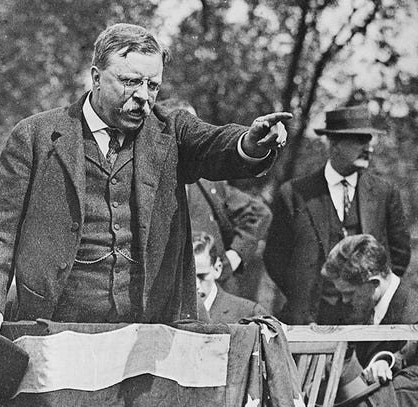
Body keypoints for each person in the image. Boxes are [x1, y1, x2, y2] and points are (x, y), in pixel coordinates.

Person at [0, 23, 291, 332]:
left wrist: (249, 143)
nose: (144, 96)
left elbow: (214, 143)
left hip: (148, 331)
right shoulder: (36, 137)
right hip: (53, 326)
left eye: (153, 85)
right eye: (130, 81)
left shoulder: (171, 132)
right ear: (96, 77)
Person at [264, 105, 411, 325]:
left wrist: (367, 295)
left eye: (369, 139)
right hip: (309, 320)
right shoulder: (294, 194)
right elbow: (275, 258)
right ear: (333, 144)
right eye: (359, 140)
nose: (369, 147)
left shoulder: (384, 193)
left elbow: (399, 255)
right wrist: (302, 295)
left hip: (364, 320)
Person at [158, 98, 273, 301]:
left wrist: (235, 255)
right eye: (181, 131)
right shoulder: (148, 186)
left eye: (195, 129)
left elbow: (258, 213)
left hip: (216, 291)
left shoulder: (206, 183)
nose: (190, 139)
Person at [321, 234, 418, 406]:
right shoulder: (362, 307)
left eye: (349, 293)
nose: (344, 301)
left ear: (374, 284)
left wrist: (385, 362)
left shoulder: (414, 313)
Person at [193, 233, 267, 324]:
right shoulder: (176, 312)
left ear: (217, 269)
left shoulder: (251, 313)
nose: (195, 285)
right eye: (188, 278)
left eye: (202, 276)